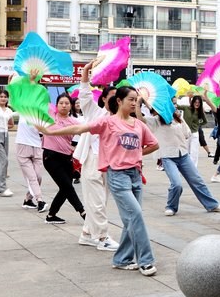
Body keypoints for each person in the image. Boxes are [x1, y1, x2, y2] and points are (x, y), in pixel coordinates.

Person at [37, 86, 160, 277]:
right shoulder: (107, 122)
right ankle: (146, 260)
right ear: (119, 101)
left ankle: (122, 259)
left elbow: (153, 144)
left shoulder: (138, 125)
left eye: (137, 100)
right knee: (135, 215)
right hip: (117, 176)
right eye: (131, 99)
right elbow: (79, 128)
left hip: (135, 175)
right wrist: (50, 132)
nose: (135, 103)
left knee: (130, 220)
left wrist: (137, 154)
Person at [136, 100, 220, 216]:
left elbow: (187, 133)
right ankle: (171, 206)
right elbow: (141, 120)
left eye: (172, 106)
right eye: (170, 106)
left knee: (197, 180)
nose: (173, 108)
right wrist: (139, 103)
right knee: (176, 184)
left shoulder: (178, 119)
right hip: (167, 157)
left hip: (183, 154)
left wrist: (179, 121)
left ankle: (212, 205)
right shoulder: (156, 121)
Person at [74, 61, 120, 251]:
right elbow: (84, 93)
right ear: (104, 100)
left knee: (100, 201)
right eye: (113, 97)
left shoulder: (122, 120)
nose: (118, 100)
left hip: (109, 163)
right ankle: (102, 238)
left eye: (120, 98)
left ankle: (86, 233)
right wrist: (85, 71)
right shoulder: (95, 112)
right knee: (97, 202)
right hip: (93, 161)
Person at [42, 93, 85, 224]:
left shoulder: (74, 122)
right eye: (61, 103)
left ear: (71, 106)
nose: (64, 105)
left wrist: (76, 150)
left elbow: (85, 135)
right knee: (67, 186)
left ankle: (51, 215)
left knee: (65, 187)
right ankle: (83, 212)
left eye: (67, 103)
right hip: (50, 157)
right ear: (56, 105)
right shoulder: (50, 115)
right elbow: (39, 98)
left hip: (66, 158)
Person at [178, 93, 213, 158]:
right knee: (185, 152)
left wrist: (197, 125)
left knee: (194, 152)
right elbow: (177, 106)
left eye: (199, 102)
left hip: (194, 133)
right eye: (196, 102)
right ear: (193, 102)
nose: (197, 104)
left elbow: (205, 121)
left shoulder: (200, 112)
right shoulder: (186, 108)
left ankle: (193, 167)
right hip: (186, 133)